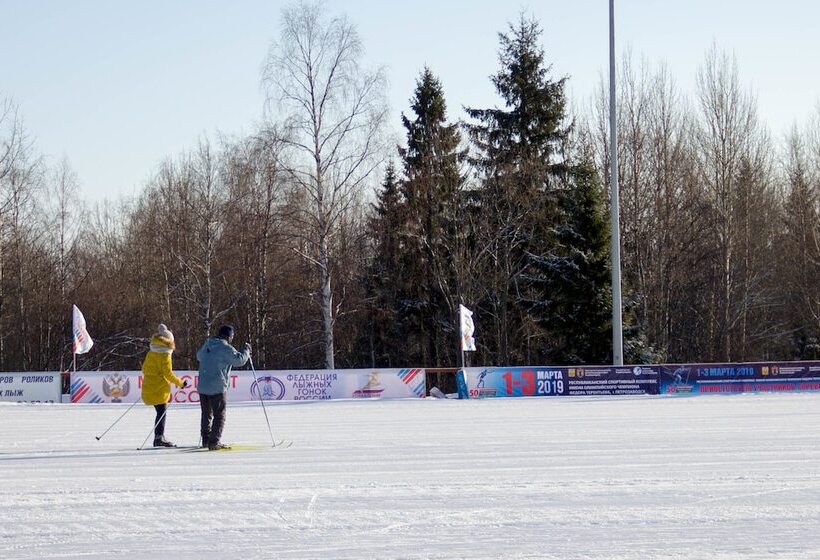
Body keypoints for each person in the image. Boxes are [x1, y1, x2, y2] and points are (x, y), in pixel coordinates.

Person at [196, 324, 250, 450]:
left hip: (203, 386)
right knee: (219, 415)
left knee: (206, 414)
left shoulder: (207, 344)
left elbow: (199, 356)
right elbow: (239, 360)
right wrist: (246, 351)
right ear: (229, 336)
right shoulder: (225, 348)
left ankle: (206, 439)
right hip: (217, 386)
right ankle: (214, 442)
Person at [141, 323, 187, 447]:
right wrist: (180, 383)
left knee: (160, 412)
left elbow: (144, 368)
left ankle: (159, 436)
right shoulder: (165, 354)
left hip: (149, 385)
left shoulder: (152, 351)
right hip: (159, 389)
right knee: (161, 412)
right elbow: (168, 374)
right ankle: (158, 438)